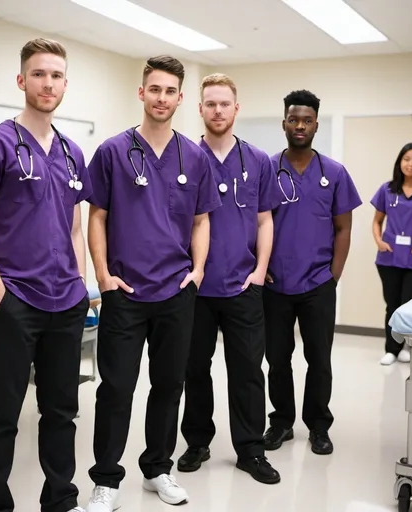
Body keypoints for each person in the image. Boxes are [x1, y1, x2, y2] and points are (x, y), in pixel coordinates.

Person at [0, 38, 91, 512]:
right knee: (2, 413)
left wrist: (79, 284)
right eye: (39, 74)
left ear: (65, 85)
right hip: (16, 301)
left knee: (61, 412)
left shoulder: (74, 152)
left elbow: (73, 227)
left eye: (56, 75)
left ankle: (61, 499)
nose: (48, 83)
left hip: (65, 302)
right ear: (22, 81)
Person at [85, 55, 221, 511]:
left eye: (170, 92)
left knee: (168, 386)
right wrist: (103, 276)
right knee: (117, 389)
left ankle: (157, 469)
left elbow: (201, 220)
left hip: (175, 293)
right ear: (141, 92)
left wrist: (197, 271)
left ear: (181, 99)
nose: (162, 98)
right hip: (125, 294)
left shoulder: (194, 156)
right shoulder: (112, 151)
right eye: (154, 89)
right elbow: (97, 216)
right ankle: (106, 480)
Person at [177, 73, 281, 485]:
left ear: (236, 109)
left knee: (247, 372)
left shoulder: (257, 160)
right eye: (210, 104)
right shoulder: (186, 157)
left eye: (225, 103)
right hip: (196, 289)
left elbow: (265, 218)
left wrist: (258, 270)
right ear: (200, 109)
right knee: (194, 369)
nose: (217, 110)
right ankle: (198, 442)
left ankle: (251, 451)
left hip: (242, 287)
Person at [262, 90, 362, 456]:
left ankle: (319, 426)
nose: (299, 125)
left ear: (316, 124)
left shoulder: (334, 173)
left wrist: (333, 276)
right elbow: (255, 224)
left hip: (319, 283)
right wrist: (261, 268)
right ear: (284, 123)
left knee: (319, 358)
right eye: (293, 119)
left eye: (306, 120)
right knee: (277, 358)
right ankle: (282, 423)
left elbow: (344, 229)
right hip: (275, 284)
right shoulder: (268, 169)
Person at [371, 143, 412, 366]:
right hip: (389, 256)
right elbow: (377, 221)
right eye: (406, 159)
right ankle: (391, 349)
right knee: (392, 304)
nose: (410, 164)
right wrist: (379, 241)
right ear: (400, 162)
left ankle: (408, 348)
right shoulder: (387, 189)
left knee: (409, 305)